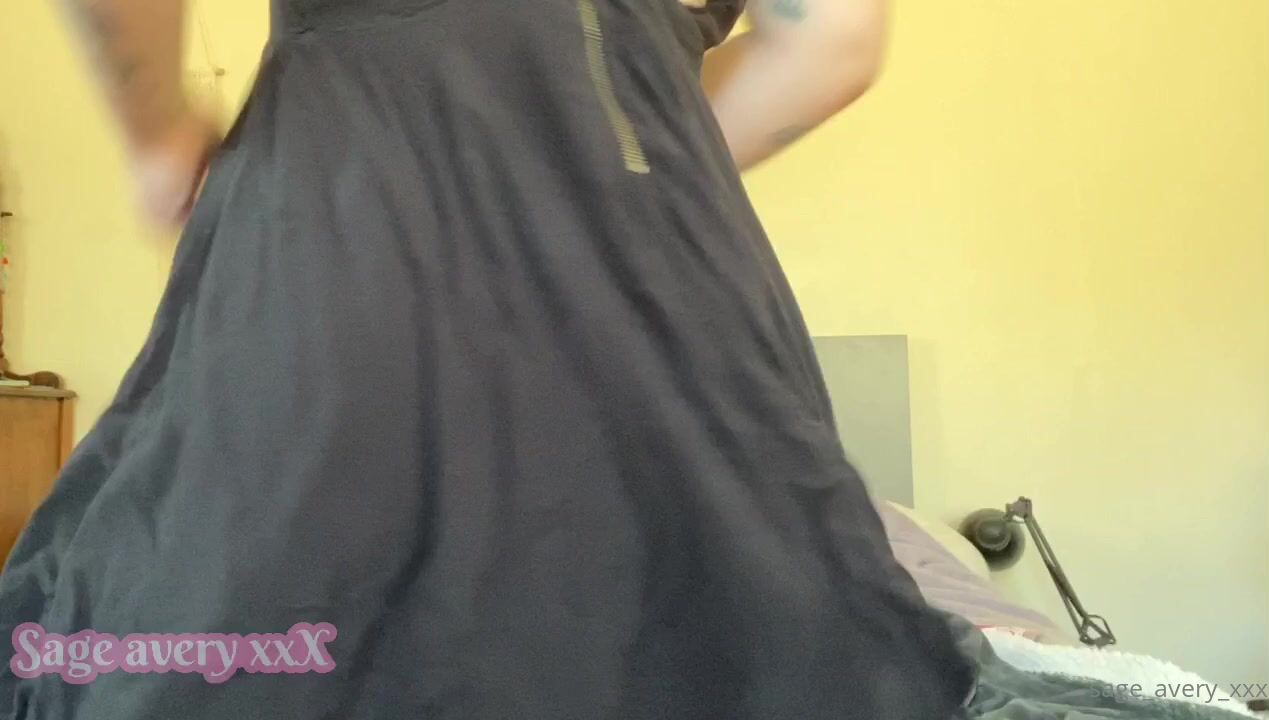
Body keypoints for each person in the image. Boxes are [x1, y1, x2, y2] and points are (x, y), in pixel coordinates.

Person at [1, 0, 975, 717]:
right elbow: (835, 41)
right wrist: (596, 146)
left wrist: (160, 139)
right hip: (656, 230)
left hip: (341, 183)